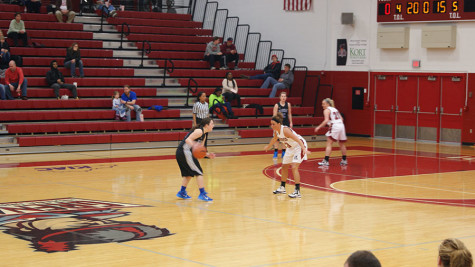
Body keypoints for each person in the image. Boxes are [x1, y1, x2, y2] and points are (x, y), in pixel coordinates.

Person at [264, 113, 310, 198]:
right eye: (271, 124)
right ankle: (282, 187)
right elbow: (274, 139)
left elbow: (297, 139)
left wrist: (304, 148)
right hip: (290, 148)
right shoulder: (276, 131)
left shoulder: (285, 130)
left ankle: (297, 191)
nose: (272, 126)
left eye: (273, 124)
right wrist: (269, 146)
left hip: (299, 146)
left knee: (294, 167)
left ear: (279, 124)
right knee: (284, 166)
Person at [175, 117, 216, 201]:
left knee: (189, 174)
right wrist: (195, 146)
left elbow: (200, 150)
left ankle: (182, 192)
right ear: (206, 125)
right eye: (212, 124)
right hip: (184, 151)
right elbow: (187, 140)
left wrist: (207, 154)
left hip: (184, 152)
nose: (213, 125)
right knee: (198, 172)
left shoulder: (204, 135)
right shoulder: (199, 131)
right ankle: (202, 194)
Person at [314, 98, 347, 167]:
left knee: (329, 143)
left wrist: (319, 127)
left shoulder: (327, 110)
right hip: (341, 126)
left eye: (324, 104)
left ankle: (326, 161)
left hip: (335, 126)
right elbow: (342, 119)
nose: (322, 105)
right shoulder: (335, 109)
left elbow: (326, 120)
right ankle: (344, 160)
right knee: (341, 144)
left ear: (328, 104)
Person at [272, 91, 293, 159]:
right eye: (282, 96)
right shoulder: (277, 105)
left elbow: (289, 114)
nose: (283, 97)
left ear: (286, 97)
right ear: (280, 97)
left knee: (284, 138)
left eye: (284, 96)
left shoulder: (288, 104)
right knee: (277, 138)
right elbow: (274, 116)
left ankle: (283, 152)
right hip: (278, 124)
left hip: (285, 124)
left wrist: (291, 122)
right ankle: (276, 152)